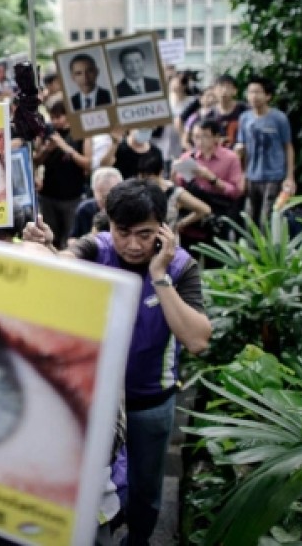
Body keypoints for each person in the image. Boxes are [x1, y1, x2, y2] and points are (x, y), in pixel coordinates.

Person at [23, 180, 210, 546]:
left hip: (149, 402)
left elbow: (197, 339)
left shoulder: (181, 268)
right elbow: (55, 265)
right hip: (92, 403)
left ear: (163, 229)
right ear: (108, 225)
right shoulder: (96, 249)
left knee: (146, 490)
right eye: (124, 232)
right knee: (92, 486)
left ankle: (137, 540)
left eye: (145, 234)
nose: (134, 245)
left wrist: (159, 276)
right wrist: (40, 245)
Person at [173, 118, 245, 249]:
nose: (199, 141)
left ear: (216, 137)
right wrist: (174, 174)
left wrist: (212, 179)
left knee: (216, 263)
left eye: (205, 136)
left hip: (217, 217)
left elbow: (236, 192)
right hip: (192, 219)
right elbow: (178, 188)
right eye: (196, 137)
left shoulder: (230, 158)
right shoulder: (187, 157)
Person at [235, 76, 295, 227]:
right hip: (251, 176)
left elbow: (288, 147)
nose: (253, 96)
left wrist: (290, 177)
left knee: (267, 219)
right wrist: (242, 174)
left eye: (258, 92)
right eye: (250, 92)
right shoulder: (244, 118)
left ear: (268, 96)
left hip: (274, 176)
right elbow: (242, 148)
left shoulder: (279, 118)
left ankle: (269, 250)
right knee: (250, 219)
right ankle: (250, 249)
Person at [34, 100, 91, 249]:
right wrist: (47, 149)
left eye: (59, 117)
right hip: (48, 196)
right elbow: (35, 161)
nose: (55, 121)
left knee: (69, 238)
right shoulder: (47, 132)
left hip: (72, 196)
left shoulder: (81, 133)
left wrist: (65, 147)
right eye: (52, 117)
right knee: (49, 238)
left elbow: (87, 164)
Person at [70, 167, 123, 240]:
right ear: (93, 191)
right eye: (103, 196)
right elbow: (73, 238)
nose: (108, 200)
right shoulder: (85, 209)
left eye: (113, 194)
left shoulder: (127, 210)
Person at [211, 75, 247, 147]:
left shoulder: (244, 109)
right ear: (214, 91)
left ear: (235, 91)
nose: (224, 91)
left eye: (227, 87)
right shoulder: (209, 113)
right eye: (220, 87)